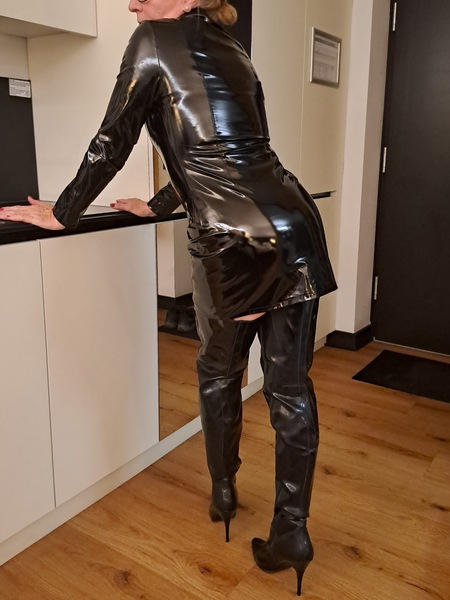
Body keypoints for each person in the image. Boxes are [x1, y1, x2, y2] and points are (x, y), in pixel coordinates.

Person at [0, 0, 337, 595]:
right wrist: (156, 204)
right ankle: (292, 532)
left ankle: (224, 491)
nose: (132, 3)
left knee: (218, 370)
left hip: (234, 240)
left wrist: (64, 211)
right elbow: (228, 152)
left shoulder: (153, 38)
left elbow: (113, 138)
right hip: (295, 225)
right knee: (290, 389)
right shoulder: (236, 51)